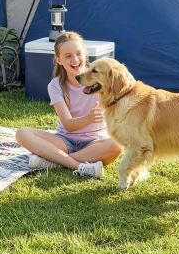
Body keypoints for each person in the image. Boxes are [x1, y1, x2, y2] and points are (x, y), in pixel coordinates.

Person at [15, 31, 122, 178]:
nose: (75, 59)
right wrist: (88, 119)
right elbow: (68, 125)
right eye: (68, 56)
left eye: (79, 53)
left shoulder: (100, 79)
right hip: (64, 141)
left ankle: (55, 161)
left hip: (94, 142)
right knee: (22, 133)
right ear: (58, 60)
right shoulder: (56, 85)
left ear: (85, 54)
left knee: (116, 145)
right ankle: (79, 166)